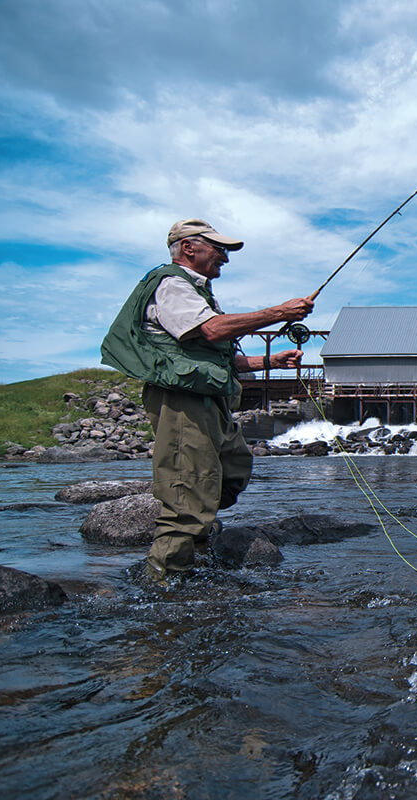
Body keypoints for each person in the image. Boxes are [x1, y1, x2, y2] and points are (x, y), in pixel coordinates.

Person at [101, 219, 314, 580]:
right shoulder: (171, 283)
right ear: (188, 248)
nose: (225, 259)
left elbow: (217, 357)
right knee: (188, 493)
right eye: (219, 250)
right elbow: (212, 330)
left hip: (208, 399)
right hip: (182, 402)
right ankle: (163, 583)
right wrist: (279, 313)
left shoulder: (197, 292)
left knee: (232, 472)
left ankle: (194, 545)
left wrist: (270, 361)